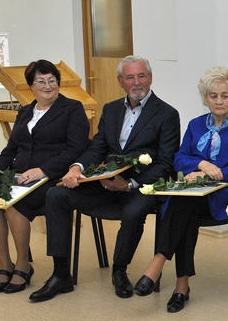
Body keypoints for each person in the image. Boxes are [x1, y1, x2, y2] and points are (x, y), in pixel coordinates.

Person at [29, 56, 181, 302]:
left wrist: (130, 184)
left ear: (150, 78)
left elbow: (166, 163)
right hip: (105, 184)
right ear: (121, 81)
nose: (137, 82)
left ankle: (119, 270)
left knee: (133, 213)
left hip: (140, 187)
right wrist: (76, 168)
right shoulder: (110, 110)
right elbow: (97, 148)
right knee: (56, 195)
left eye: (142, 76)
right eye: (130, 77)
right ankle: (60, 274)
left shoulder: (167, 114)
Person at [133, 66, 228, 313]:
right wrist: (200, 164)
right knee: (185, 205)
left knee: (182, 205)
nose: (219, 101)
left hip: (225, 194)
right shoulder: (195, 124)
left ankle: (163, 268)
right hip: (193, 193)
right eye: (213, 96)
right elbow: (179, 159)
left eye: (225, 95)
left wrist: (215, 172)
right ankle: (180, 285)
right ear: (205, 98)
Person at [0, 60, 90, 294]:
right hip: (21, 176)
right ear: (31, 86)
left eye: (52, 80)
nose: (48, 86)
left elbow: (76, 148)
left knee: (15, 204)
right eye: (41, 81)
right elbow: (10, 149)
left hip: (53, 178)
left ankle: (23, 265)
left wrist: (43, 170)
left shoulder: (72, 108)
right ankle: (6, 264)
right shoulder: (25, 112)